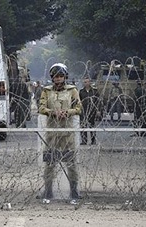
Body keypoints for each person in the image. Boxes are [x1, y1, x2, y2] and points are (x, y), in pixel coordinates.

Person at [39, 63, 82, 201]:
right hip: (52, 132)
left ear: (65, 77)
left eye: (61, 76)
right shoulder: (46, 91)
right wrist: (52, 112)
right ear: (52, 78)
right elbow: (41, 107)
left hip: (68, 132)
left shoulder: (72, 91)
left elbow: (79, 107)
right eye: (56, 76)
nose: (58, 79)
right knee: (50, 163)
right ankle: (48, 191)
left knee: (71, 162)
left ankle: (74, 191)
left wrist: (67, 112)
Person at [79, 77, 101, 145]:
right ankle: (84, 141)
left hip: (92, 111)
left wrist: (98, 110)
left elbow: (98, 101)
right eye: (85, 82)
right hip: (84, 111)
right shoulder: (81, 92)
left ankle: (93, 140)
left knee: (92, 126)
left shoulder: (94, 91)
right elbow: (79, 101)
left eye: (87, 82)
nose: (86, 83)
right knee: (83, 126)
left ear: (90, 82)